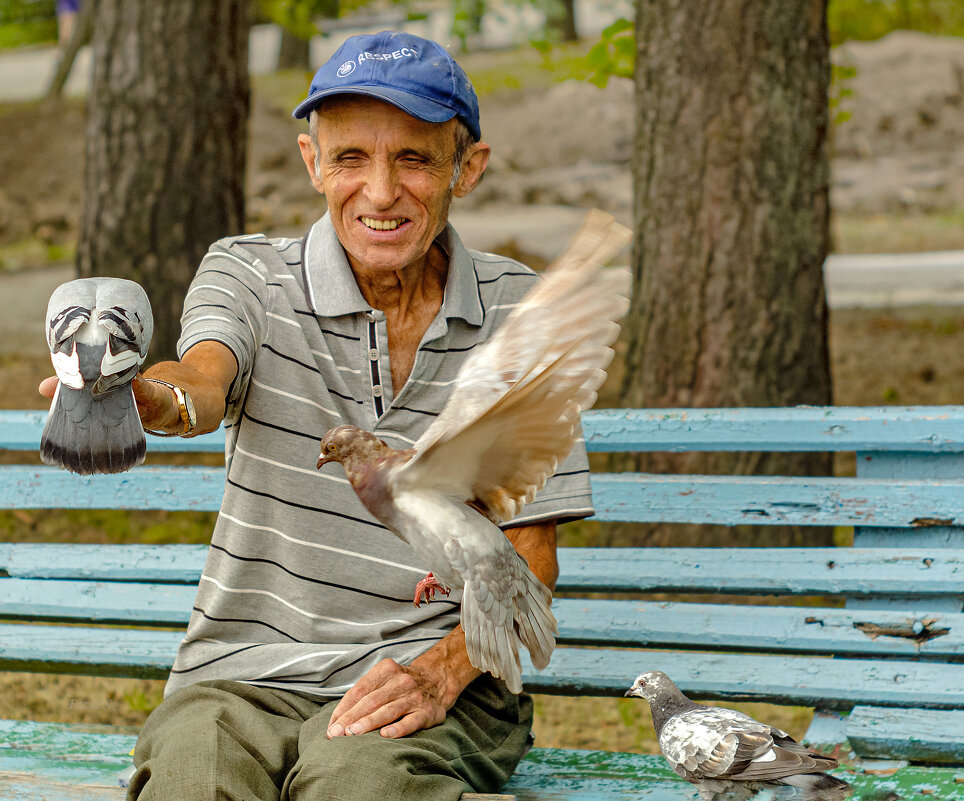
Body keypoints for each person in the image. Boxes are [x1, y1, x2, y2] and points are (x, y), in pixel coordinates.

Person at [41, 31, 593, 801]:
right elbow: (202, 377)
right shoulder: (249, 274)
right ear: (311, 163)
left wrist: (442, 672)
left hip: (430, 681)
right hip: (240, 673)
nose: (379, 192)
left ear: (467, 168)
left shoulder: (516, 310)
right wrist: (149, 398)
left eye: (414, 159)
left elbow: (531, 556)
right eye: (350, 159)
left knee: (358, 782)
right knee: (194, 775)